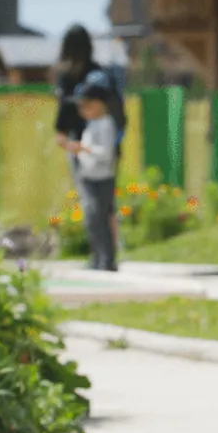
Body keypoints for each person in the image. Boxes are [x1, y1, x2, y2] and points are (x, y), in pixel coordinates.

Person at [51, 25, 124, 248]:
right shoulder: (100, 74)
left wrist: (62, 136)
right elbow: (118, 109)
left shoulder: (67, 76)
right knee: (106, 202)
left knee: (90, 199)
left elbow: (64, 111)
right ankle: (110, 251)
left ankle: (100, 253)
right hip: (108, 142)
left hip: (80, 144)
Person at [72, 80, 121, 272]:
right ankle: (97, 256)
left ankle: (107, 259)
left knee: (101, 218)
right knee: (91, 219)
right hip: (88, 176)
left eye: (87, 106)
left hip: (101, 179)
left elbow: (106, 154)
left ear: (99, 104)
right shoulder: (92, 125)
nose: (83, 111)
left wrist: (85, 148)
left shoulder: (106, 125)